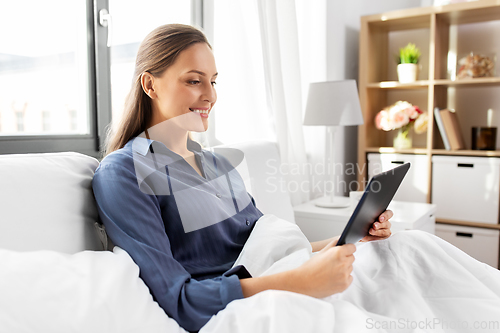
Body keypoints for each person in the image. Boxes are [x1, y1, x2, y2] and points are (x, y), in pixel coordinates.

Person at [92, 24, 392, 332]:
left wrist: (347, 239)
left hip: (289, 274)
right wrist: (301, 283)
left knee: (400, 249)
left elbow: (267, 246)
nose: (210, 95)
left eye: (214, 81)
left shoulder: (218, 163)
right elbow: (178, 299)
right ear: (150, 85)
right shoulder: (123, 173)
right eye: (194, 81)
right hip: (260, 301)